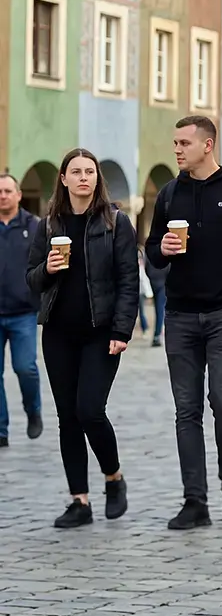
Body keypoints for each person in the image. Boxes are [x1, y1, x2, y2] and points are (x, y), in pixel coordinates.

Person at [145, 116, 222, 531]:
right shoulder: (169, 194)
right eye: (175, 142)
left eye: (184, 143)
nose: (177, 149)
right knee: (186, 411)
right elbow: (153, 253)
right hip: (179, 315)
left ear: (208, 145)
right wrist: (161, 249)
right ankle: (194, 501)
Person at [26, 151, 137, 528]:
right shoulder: (48, 225)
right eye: (76, 172)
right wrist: (47, 269)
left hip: (100, 333)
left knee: (90, 410)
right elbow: (31, 279)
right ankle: (80, 501)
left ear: (97, 179)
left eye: (90, 172)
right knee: (67, 418)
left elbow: (128, 281)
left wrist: (122, 330)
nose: (84, 178)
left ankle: (114, 478)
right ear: (63, 178)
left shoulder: (116, 223)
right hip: (58, 333)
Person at [0, 172, 43, 446]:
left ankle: (33, 410)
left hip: (23, 312)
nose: (2, 195)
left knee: (25, 367)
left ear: (18, 195)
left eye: (7, 191)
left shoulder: (34, 226)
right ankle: (1, 430)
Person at [144, 248, 169, 347]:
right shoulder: (164, 251)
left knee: (158, 308)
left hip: (154, 282)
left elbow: (147, 267)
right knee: (160, 309)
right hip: (162, 282)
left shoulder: (152, 251)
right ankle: (157, 335)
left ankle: (157, 333)